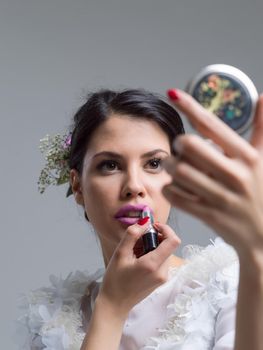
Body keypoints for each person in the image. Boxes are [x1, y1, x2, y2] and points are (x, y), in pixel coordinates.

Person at [17, 88, 263, 350]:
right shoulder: (54, 322)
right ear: (78, 187)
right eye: (110, 165)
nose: (134, 186)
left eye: (154, 163)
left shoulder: (231, 285)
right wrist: (111, 308)